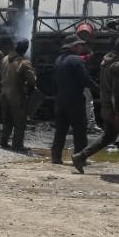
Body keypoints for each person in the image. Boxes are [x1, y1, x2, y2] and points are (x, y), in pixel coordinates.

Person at [73, 35, 119, 180]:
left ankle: (80, 156)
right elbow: (117, 93)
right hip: (117, 108)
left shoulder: (107, 61)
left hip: (106, 107)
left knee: (109, 136)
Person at [50, 35, 93, 165]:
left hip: (60, 101)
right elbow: (85, 80)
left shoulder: (58, 60)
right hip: (75, 101)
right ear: (74, 46)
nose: (82, 47)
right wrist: (100, 89)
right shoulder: (76, 60)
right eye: (80, 45)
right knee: (79, 131)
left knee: (60, 130)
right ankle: (80, 158)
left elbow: (54, 82)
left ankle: (56, 157)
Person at [0, 38, 37, 151]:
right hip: (17, 97)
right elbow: (32, 80)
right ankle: (17, 145)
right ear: (25, 49)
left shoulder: (5, 59)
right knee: (20, 122)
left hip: (4, 95)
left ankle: (3, 141)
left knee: (7, 120)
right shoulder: (24, 63)